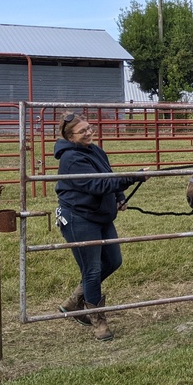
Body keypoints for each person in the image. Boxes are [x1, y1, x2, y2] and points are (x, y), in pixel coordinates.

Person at [55, 112, 145, 341]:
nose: (89, 132)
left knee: (114, 261)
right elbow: (96, 184)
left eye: (89, 128)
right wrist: (132, 177)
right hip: (79, 218)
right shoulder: (71, 159)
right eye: (82, 131)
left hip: (101, 215)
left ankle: (75, 301)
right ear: (70, 136)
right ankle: (97, 320)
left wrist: (119, 196)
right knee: (92, 270)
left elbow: (108, 176)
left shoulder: (95, 150)